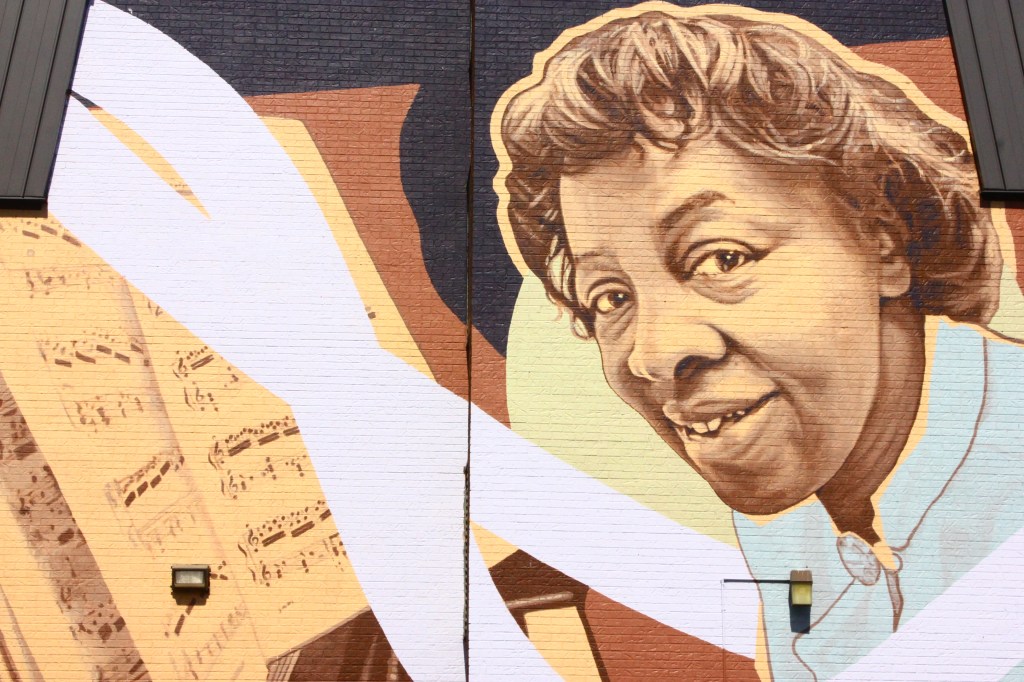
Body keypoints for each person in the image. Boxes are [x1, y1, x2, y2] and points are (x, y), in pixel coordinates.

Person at [495, 4, 1024, 678]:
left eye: (722, 258)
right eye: (611, 298)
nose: (651, 354)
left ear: (884, 241)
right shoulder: (791, 513)